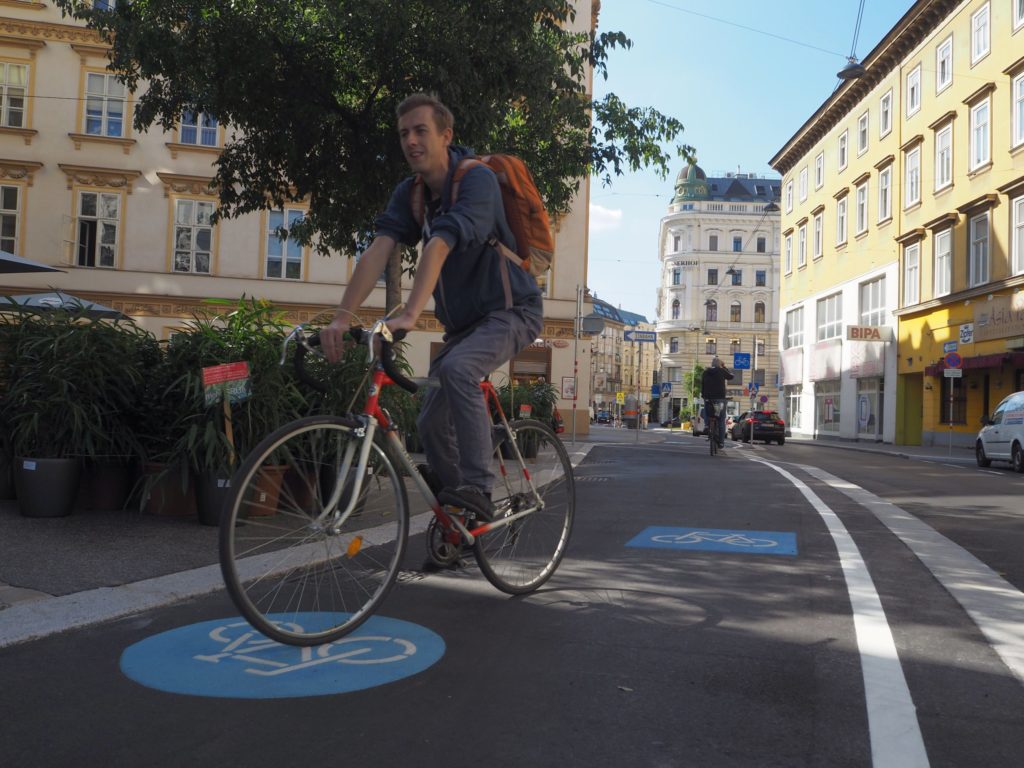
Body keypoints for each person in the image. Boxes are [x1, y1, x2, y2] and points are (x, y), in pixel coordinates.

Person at [319, 93, 543, 521]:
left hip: (512, 312)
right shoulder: (412, 193)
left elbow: (440, 243)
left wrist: (407, 314)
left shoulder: (476, 180)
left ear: (446, 135)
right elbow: (379, 249)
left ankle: (478, 489)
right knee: (429, 423)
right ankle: (460, 519)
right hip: (464, 328)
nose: (411, 141)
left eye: (421, 130)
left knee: (459, 371)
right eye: (404, 133)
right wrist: (341, 317)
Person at [701, 357, 734, 449]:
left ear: (712, 364)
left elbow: (702, 384)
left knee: (707, 411)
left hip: (708, 397)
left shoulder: (705, 372)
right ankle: (721, 443)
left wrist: (703, 395)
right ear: (720, 364)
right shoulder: (721, 371)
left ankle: (707, 425)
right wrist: (724, 367)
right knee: (721, 419)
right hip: (719, 398)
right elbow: (731, 376)